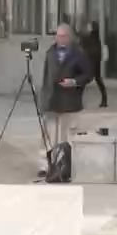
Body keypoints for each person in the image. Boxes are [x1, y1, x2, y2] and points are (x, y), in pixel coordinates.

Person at [39, 24, 91, 164]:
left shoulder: (78, 54)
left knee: (65, 137)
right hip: (51, 101)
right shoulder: (50, 53)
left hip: (69, 102)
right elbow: (46, 78)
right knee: (48, 137)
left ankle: (63, 165)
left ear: (69, 37)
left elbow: (88, 75)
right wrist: (43, 100)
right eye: (58, 36)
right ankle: (46, 165)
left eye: (63, 36)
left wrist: (74, 82)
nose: (60, 39)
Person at [80, 21, 109, 108]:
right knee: (98, 81)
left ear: (92, 28)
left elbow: (83, 44)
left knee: (82, 82)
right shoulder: (96, 38)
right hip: (96, 63)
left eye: (89, 26)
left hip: (90, 63)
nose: (88, 27)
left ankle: (78, 101)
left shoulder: (89, 38)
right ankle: (104, 100)